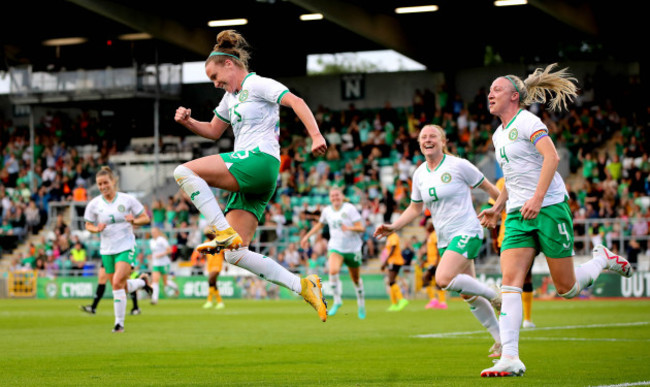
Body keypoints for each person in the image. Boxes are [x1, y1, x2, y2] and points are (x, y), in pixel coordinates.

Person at [478, 64, 633, 377]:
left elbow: (552, 157)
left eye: (496, 89)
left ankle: (601, 259)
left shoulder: (528, 120)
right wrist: (497, 207)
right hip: (519, 215)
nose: (490, 94)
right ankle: (510, 357)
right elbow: (511, 177)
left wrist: (536, 198)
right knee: (510, 282)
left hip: (549, 207)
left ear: (513, 96)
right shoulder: (497, 135)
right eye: (489, 90)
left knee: (568, 288)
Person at [173, 30, 328, 322]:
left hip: (260, 161)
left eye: (215, 77)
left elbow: (296, 101)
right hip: (252, 175)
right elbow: (213, 131)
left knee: (184, 171)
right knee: (234, 253)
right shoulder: (230, 98)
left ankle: (221, 230)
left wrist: (316, 136)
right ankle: (303, 286)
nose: (215, 84)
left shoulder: (258, 84)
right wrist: (188, 121)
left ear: (229, 64)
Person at [374, 125, 503, 358]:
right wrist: (394, 226)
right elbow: (415, 208)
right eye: (423, 137)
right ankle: (500, 340)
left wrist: (499, 210)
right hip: (445, 239)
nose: (427, 140)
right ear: (419, 144)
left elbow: (491, 189)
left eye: (432, 136)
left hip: (467, 231)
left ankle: (494, 294)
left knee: (443, 278)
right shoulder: (420, 174)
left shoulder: (459, 165)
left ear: (443, 141)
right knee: (467, 294)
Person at [81, 166, 153, 332]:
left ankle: (119, 324)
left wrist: (134, 220)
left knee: (116, 282)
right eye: (99, 184)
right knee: (119, 286)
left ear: (113, 182)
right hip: (107, 249)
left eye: (105, 182)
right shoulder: (94, 204)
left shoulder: (127, 200)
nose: (103, 186)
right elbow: (88, 224)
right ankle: (142, 282)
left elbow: (145, 218)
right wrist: (95, 229)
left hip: (125, 246)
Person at [300, 188, 367, 319]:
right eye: (332, 196)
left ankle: (361, 303)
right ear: (330, 198)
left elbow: (361, 228)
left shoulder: (349, 209)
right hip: (336, 247)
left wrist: (349, 228)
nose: (335, 197)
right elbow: (319, 225)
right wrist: (306, 236)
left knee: (356, 279)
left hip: (353, 249)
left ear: (342, 196)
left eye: (337, 195)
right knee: (333, 271)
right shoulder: (327, 211)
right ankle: (337, 301)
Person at [493, 177, 536, 328]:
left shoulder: (528, 174)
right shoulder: (501, 182)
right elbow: (495, 211)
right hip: (509, 235)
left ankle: (524, 319)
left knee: (518, 279)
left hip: (524, 233)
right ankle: (522, 319)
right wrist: (494, 239)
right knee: (514, 279)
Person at [379, 231, 409, 311]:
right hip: (392, 261)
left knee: (391, 281)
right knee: (390, 282)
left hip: (395, 261)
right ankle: (394, 304)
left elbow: (393, 248)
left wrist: (385, 262)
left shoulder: (394, 236)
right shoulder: (390, 237)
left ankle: (402, 299)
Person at [149, 227, 179, 305]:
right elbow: (153, 252)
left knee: (165, 282)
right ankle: (154, 299)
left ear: (158, 232)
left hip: (164, 263)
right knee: (155, 281)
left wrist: (161, 254)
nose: (153, 233)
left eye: (154, 232)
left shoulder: (162, 240)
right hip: (156, 263)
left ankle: (175, 287)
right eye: (152, 232)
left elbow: (169, 250)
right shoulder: (151, 241)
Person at [421, 220, 446, 310]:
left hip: (436, 262)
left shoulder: (435, 235)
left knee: (425, 278)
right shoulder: (431, 235)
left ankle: (434, 300)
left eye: (428, 225)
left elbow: (437, 247)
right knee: (436, 281)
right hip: (432, 261)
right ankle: (441, 302)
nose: (426, 227)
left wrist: (436, 261)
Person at [200, 229, 226, 309]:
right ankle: (219, 302)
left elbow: (224, 254)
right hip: (210, 266)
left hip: (217, 265)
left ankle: (209, 301)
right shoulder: (206, 242)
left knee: (210, 279)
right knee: (213, 283)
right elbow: (204, 253)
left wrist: (227, 264)